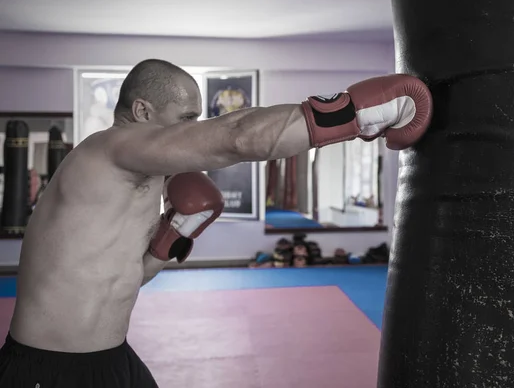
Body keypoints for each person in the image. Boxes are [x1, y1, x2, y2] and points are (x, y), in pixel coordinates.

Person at [0, 59, 433, 387]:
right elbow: (236, 137)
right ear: (143, 111)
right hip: (51, 368)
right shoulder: (111, 147)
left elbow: (125, 279)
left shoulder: (136, 176)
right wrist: (353, 114)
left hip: (111, 358)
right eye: (187, 118)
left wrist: (170, 239)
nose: (195, 129)